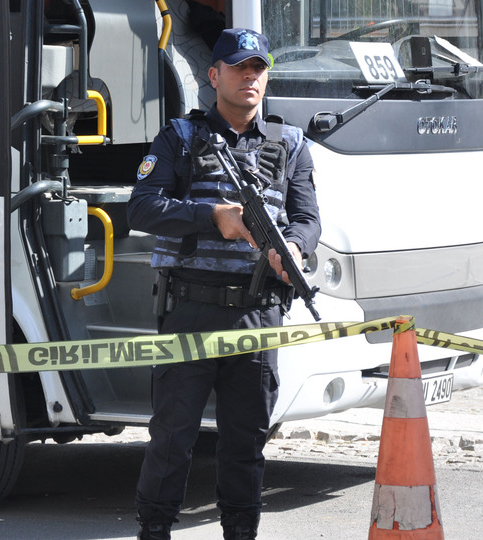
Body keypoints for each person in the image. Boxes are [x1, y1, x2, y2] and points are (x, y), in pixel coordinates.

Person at [126, 27, 321, 540]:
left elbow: (308, 219)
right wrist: (212, 216)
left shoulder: (291, 144)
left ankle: (240, 530)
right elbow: (141, 208)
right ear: (214, 76)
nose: (249, 77)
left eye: (258, 68)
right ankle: (155, 529)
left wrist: (293, 248)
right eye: (239, 67)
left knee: (246, 440)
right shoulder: (180, 137)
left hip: (259, 312)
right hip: (191, 307)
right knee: (172, 436)